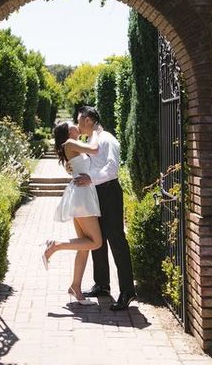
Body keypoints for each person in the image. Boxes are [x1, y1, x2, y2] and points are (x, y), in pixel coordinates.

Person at [74, 106, 137, 311]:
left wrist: (90, 178)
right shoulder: (89, 141)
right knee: (96, 238)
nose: (78, 124)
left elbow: (112, 168)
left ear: (90, 120)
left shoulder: (107, 139)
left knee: (116, 239)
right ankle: (102, 285)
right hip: (94, 193)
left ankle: (127, 291)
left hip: (109, 193)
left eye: (80, 120)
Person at [42, 121, 103, 305]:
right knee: (96, 242)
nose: (78, 124)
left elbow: (84, 159)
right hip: (82, 196)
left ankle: (75, 287)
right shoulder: (70, 143)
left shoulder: (73, 144)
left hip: (82, 193)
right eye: (73, 124)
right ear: (69, 131)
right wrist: (97, 130)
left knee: (83, 246)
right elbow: (95, 149)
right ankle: (55, 246)